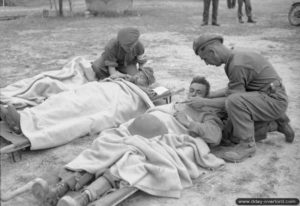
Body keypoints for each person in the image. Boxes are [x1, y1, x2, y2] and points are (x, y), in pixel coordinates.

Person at [28, 76, 225, 206]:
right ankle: (59, 190)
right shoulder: (177, 103)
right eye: (192, 90)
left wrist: (190, 123)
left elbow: (214, 136)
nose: (194, 95)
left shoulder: (206, 113)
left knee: (127, 163)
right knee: (102, 149)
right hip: (130, 132)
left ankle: (82, 198)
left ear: (207, 97)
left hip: (159, 140)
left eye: (199, 93)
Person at [191, 34, 294, 162]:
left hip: (274, 101)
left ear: (212, 52)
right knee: (234, 108)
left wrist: (204, 102)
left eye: (205, 59)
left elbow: (233, 100)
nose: (207, 63)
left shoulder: (236, 65)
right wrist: (211, 95)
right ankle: (279, 122)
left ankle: (247, 145)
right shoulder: (237, 55)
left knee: (232, 131)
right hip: (271, 95)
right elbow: (236, 87)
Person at [0, 67, 156, 150]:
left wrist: (142, 92)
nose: (139, 77)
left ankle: (23, 124)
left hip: (105, 100)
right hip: (96, 91)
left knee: (73, 109)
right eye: (140, 73)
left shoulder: (141, 94)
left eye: (143, 78)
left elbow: (134, 108)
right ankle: (25, 116)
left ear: (146, 83)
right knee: (62, 100)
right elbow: (106, 80)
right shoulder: (124, 79)